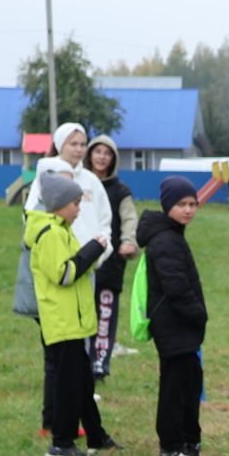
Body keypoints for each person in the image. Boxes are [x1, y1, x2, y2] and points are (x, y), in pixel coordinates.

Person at [17, 123, 108, 435]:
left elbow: (104, 222)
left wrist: (99, 251)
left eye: (83, 143)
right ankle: (59, 430)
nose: (79, 149)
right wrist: (88, 253)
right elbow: (61, 271)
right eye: (73, 143)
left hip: (81, 283)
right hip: (62, 292)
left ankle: (91, 431)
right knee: (62, 361)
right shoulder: (48, 222)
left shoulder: (91, 183)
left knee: (79, 363)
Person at [24, 172, 115, 456]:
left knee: (83, 381)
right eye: (75, 203)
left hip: (74, 321)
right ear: (59, 205)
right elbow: (64, 274)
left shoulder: (62, 229)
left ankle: (96, 435)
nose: (78, 209)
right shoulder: (50, 234)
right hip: (62, 322)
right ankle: (61, 443)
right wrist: (93, 249)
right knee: (68, 384)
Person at [138, 177, 209, 456]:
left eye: (193, 204)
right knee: (177, 387)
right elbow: (176, 287)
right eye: (182, 204)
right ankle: (172, 447)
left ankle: (185, 442)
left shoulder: (173, 234)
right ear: (168, 206)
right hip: (173, 325)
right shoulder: (166, 240)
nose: (188, 210)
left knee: (188, 381)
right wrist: (198, 313)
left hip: (179, 326)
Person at [86, 135, 139, 379]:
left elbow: (129, 219)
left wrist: (129, 242)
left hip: (110, 263)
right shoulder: (80, 183)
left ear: (113, 159)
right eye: (97, 151)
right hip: (81, 260)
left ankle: (100, 362)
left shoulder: (120, 191)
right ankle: (81, 360)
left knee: (104, 313)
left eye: (107, 153)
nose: (101, 157)